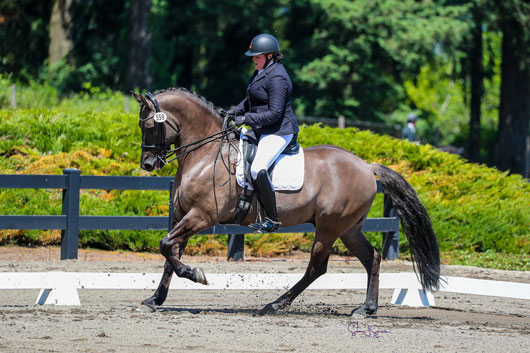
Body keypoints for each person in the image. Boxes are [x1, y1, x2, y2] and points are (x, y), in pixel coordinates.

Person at [227, 33, 299, 233]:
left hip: (279, 130)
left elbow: (275, 114)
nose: (253, 59)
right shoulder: (261, 71)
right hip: (262, 128)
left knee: (257, 168)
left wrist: (246, 119)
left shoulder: (278, 77)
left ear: (270, 55)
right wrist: (233, 112)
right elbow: (251, 99)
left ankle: (272, 219)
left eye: (257, 56)